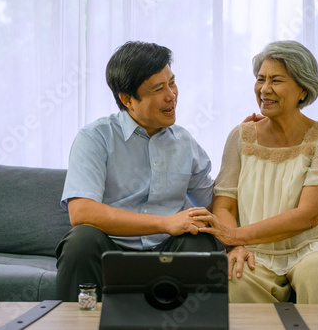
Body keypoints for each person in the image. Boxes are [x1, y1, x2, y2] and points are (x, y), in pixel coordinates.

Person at [190, 40, 318, 318]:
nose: (265, 89)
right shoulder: (240, 136)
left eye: (276, 80)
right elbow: (225, 205)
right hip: (258, 250)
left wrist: (235, 234)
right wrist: (237, 245)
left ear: (303, 88)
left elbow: (309, 216)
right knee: (235, 279)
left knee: (315, 272)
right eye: (260, 79)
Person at [55, 41, 222, 302]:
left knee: (199, 240)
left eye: (172, 82)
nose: (171, 95)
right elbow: (82, 212)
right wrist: (165, 222)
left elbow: (215, 202)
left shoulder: (184, 142)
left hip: (168, 248)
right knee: (81, 240)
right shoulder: (95, 138)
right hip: (111, 246)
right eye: (158, 89)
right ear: (127, 99)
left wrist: (250, 143)